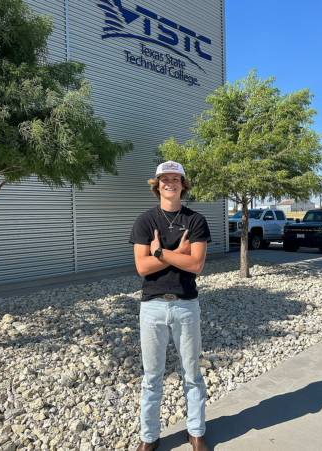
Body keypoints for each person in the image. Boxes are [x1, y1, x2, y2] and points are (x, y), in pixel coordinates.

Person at [129, 161, 211, 451]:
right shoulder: (145, 221)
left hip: (186, 305)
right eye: (165, 179)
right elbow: (142, 267)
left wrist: (161, 253)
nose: (170, 183)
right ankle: (149, 437)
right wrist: (177, 254)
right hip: (152, 307)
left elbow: (197, 264)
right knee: (152, 376)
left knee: (192, 372)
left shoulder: (196, 221)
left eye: (175, 178)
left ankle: (196, 432)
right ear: (157, 184)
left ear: (183, 184)